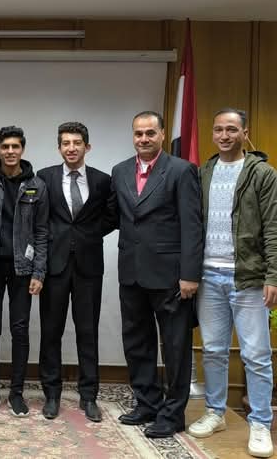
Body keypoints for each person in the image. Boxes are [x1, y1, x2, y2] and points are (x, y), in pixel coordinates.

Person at [187, 109, 276, 458]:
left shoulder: (262, 173)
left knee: (256, 355)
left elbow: (273, 227)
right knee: (213, 350)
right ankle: (215, 412)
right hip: (209, 277)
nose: (224, 135)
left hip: (248, 278)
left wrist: (273, 276)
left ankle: (260, 424)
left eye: (231, 129)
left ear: (244, 132)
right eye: (219, 129)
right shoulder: (204, 172)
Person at [109, 110, 203, 438]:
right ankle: (147, 403)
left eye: (150, 133)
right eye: (139, 133)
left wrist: (190, 274)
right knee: (137, 342)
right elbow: (115, 216)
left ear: (162, 134)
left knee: (175, 347)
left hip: (171, 276)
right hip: (131, 272)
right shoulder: (120, 171)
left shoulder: (181, 170)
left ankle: (173, 414)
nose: (144, 139)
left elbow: (192, 226)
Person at [36, 122, 114, 423]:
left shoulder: (103, 181)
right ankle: (51, 394)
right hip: (54, 266)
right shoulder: (44, 177)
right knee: (50, 331)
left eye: (77, 143)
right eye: (66, 143)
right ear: (59, 148)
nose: (71, 148)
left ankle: (89, 395)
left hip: (88, 266)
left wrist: (88, 234)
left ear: (87, 147)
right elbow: (39, 217)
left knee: (87, 332)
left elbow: (112, 216)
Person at [0, 126, 48, 417]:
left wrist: (39, 272)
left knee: (20, 330)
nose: (10, 151)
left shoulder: (37, 185)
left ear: (22, 149)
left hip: (23, 268)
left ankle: (17, 393)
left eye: (15, 146)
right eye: (5, 146)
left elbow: (42, 232)